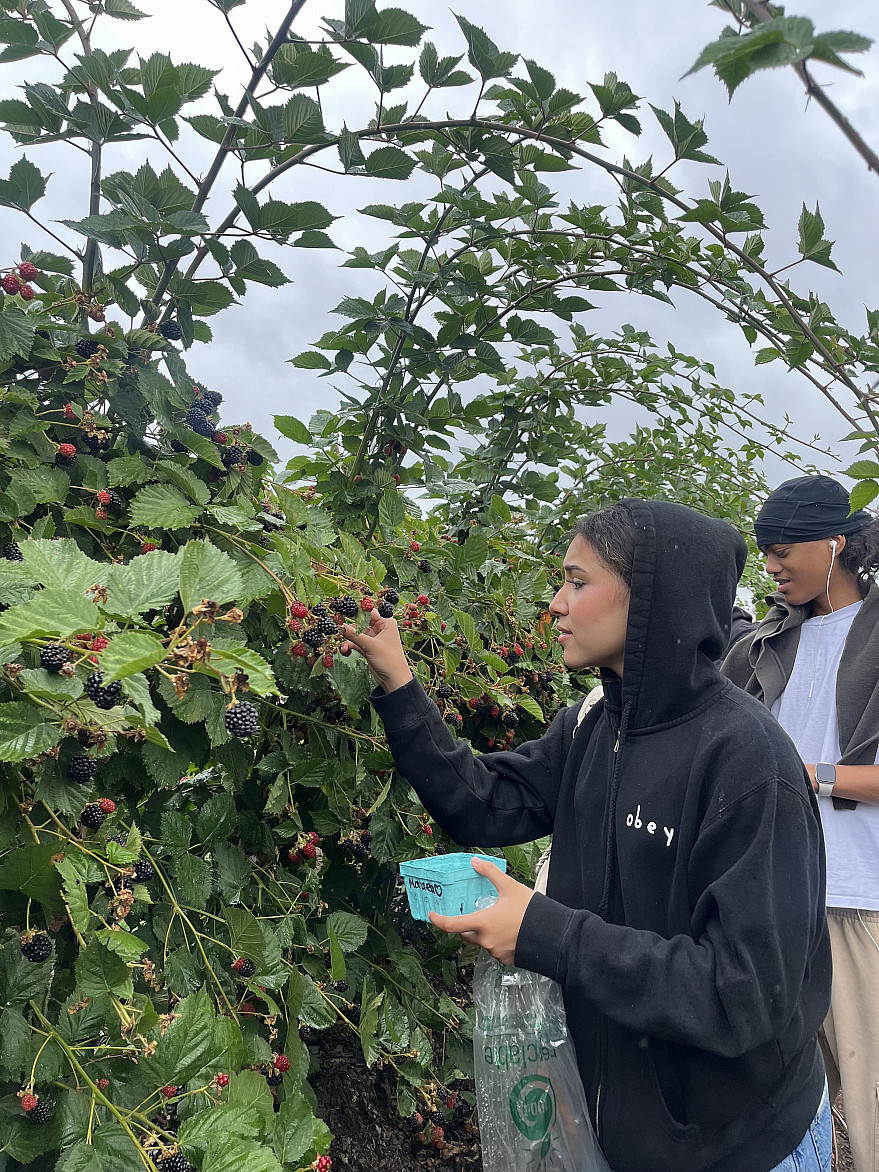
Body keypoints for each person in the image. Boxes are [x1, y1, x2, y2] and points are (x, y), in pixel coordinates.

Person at [342, 499, 831, 1172]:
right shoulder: (594, 728)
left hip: (736, 1146)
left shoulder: (748, 762)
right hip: (626, 1132)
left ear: (652, 597)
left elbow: (740, 995)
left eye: (576, 581)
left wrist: (542, 930)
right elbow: (482, 805)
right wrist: (396, 681)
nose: (554, 603)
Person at [722, 474, 879, 1172]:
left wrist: (798, 775)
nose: (773, 565)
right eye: (764, 551)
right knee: (778, 1111)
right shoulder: (763, 645)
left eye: (783, 549)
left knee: (869, 1109)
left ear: (835, 542)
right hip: (774, 907)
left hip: (858, 902)